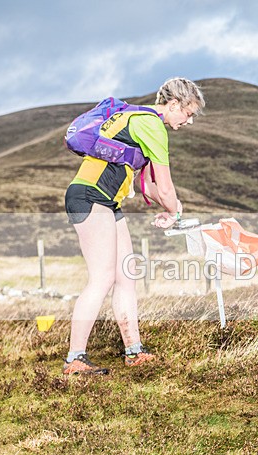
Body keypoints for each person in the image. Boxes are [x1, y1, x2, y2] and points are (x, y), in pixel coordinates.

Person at [62, 77, 206, 375]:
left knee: (126, 276)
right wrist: (173, 210)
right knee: (101, 278)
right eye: (188, 114)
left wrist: (173, 212)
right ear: (174, 104)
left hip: (107, 202)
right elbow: (165, 190)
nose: (189, 122)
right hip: (90, 196)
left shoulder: (141, 120)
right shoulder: (151, 125)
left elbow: (151, 189)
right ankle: (75, 358)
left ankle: (133, 351)